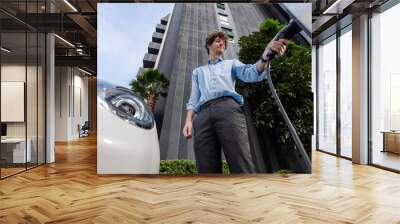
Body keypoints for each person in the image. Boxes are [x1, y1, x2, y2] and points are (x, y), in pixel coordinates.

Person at [182, 31, 288, 174]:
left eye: (224, 42)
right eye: (218, 41)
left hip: (228, 109)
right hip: (202, 116)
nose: (222, 43)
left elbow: (251, 72)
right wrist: (189, 121)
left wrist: (265, 57)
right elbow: (194, 99)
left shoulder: (231, 64)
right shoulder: (198, 72)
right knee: (205, 167)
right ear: (209, 45)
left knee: (240, 161)